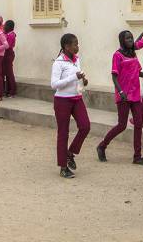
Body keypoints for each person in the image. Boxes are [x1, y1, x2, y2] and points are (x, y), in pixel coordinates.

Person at [97, 31, 143, 166]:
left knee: (138, 124)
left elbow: (138, 72)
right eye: (127, 38)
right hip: (124, 95)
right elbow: (114, 76)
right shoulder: (117, 55)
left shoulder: (133, 54)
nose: (130, 40)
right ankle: (102, 146)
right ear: (122, 40)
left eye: (131, 37)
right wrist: (120, 91)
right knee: (122, 125)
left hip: (135, 94)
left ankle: (137, 156)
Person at [51, 33, 89, 178]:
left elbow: (77, 77)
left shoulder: (76, 59)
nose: (77, 46)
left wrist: (83, 81)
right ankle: (63, 167)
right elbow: (54, 85)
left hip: (77, 98)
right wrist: (74, 77)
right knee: (63, 133)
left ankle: (70, 153)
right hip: (62, 100)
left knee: (85, 126)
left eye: (77, 43)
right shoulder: (58, 63)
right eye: (75, 44)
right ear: (66, 47)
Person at [2, 20, 17, 98]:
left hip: (8, 54)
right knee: (6, 73)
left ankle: (12, 91)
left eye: (5, 25)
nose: (4, 27)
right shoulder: (7, 34)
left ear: (10, 27)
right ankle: (7, 90)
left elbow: (7, 46)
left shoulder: (11, 35)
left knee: (9, 73)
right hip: (5, 54)